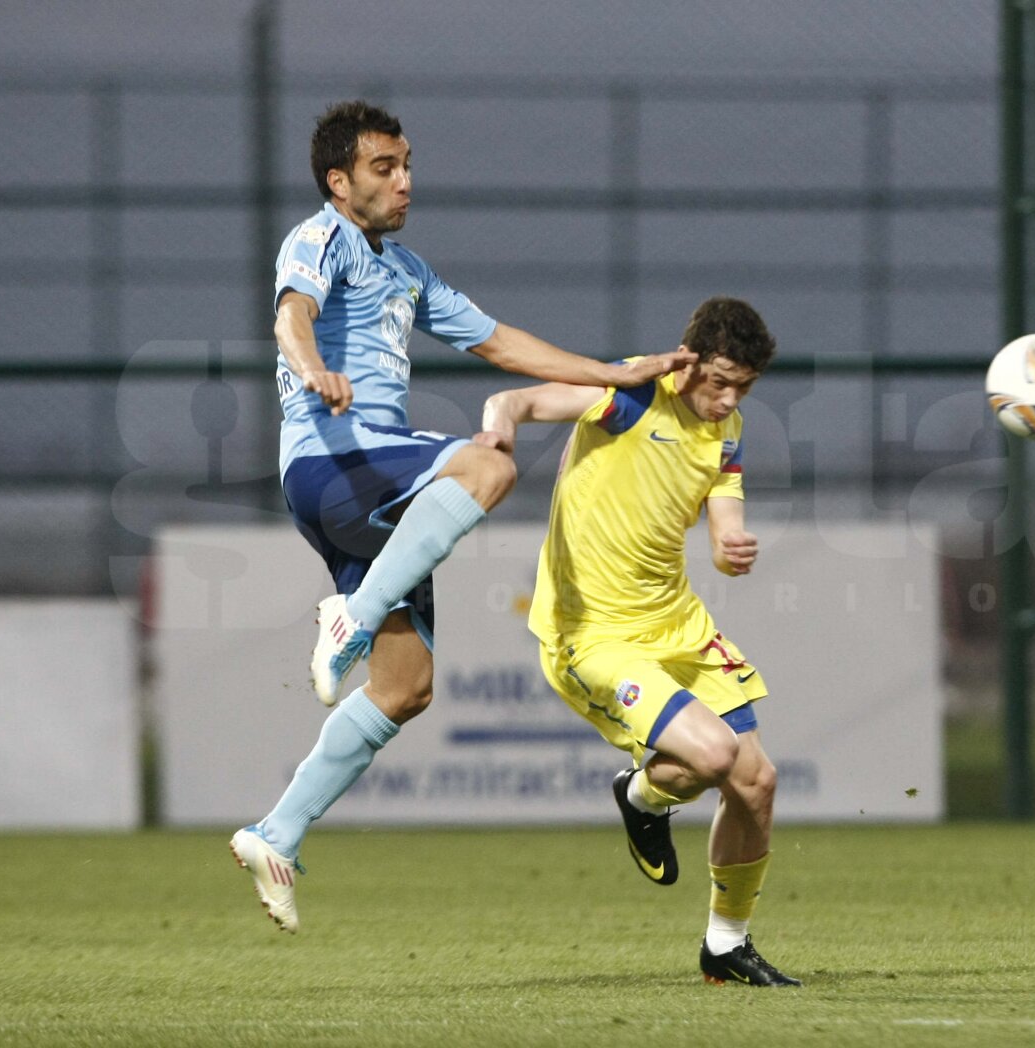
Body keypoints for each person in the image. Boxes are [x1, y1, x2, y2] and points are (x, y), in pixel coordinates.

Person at [228, 100, 694, 933]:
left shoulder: (405, 268)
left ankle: (277, 834)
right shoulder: (318, 236)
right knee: (486, 462)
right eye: (383, 167)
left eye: (407, 164)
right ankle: (353, 619)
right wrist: (310, 370)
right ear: (339, 181)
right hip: (335, 461)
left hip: (365, 491)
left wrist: (614, 374)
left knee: (405, 690)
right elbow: (290, 315)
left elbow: (500, 344)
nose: (404, 181)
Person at [479, 297, 800, 987]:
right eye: (717, 380)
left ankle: (724, 943)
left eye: (743, 386)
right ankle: (646, 800)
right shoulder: (630, 393)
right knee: (714, 754)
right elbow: (520, 400)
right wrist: (498, 427)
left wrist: (731, 545)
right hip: (592, 632)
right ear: (686, 360)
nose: (728, 398)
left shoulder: (727, 427)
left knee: (756, 781)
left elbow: (721, 528)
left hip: (676, 625)